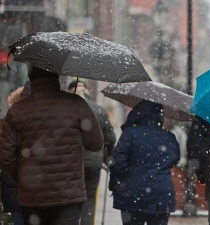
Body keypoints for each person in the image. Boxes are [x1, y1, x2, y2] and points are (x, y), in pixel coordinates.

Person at [0, 66, 104, 225]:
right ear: (56, 76)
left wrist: (23, 180)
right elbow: (96, 144)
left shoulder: (17, 111)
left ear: (30, 77)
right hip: (68, 195)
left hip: (33, 198)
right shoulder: (76, 104)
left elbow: (5, 157)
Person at [109, 100, 180, 225]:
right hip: (161, 195)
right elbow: (174, 160)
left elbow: (117, 163)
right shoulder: (169, 137)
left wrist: (115, 184)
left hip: (133, 194)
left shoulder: (130, 134)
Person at [67, 80, 116, 225]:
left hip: (71, 163)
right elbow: (110, 138)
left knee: (70, 200)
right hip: (93, 163)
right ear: (87, 91)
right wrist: (106, 156)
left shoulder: (66, 110)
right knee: (89, 201)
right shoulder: (99, 110)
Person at [0, 82, 30, 225]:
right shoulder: (48, 122)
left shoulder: (7, 121)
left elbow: (5, 157)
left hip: (16, 191)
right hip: (43, 193)